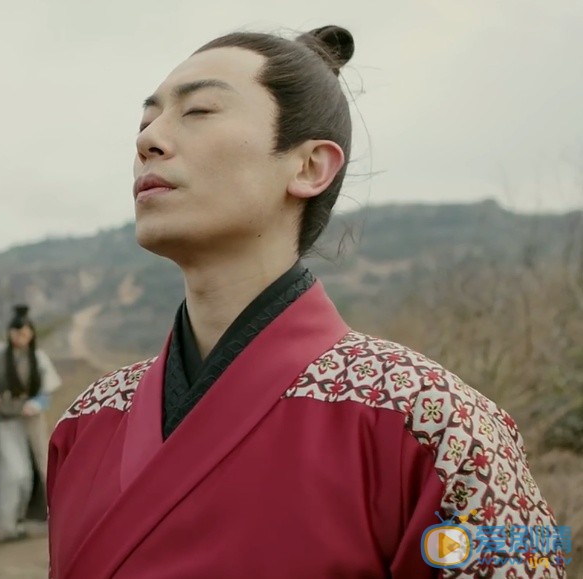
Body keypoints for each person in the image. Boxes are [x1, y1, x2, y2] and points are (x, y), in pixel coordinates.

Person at [46, 25, 566, 578]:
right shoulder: (89, 420)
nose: (148, 141)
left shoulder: (434, 419)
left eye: (198, 111)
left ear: (310, 166)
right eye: (145, 122)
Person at [0, 304, 62, 541]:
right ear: (9, 333)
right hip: (6, 419)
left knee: (41, 469)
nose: (20, 337)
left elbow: (47, 389)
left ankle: (34, 518)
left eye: (24, 333)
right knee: (15, 473)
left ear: (31, 334)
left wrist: (38, 403)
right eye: (16, 333)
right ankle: (8, 521)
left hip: (32, 420)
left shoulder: (38, 358)